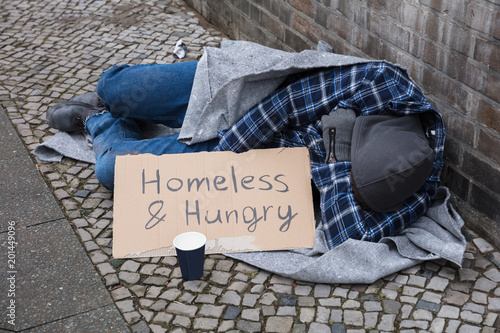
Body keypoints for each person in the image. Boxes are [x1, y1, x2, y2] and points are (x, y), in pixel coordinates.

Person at [47, 55, 445, 250]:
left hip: (272, 159)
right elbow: (282, 106)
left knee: (114, 171)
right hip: (251, 94)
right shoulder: (377, 83)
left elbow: (346, 235)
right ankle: (112, 103)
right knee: (118, 88)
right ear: (368, 130)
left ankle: (97, 119)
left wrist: (339, 162)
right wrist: (220, 159)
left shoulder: (411, 185)